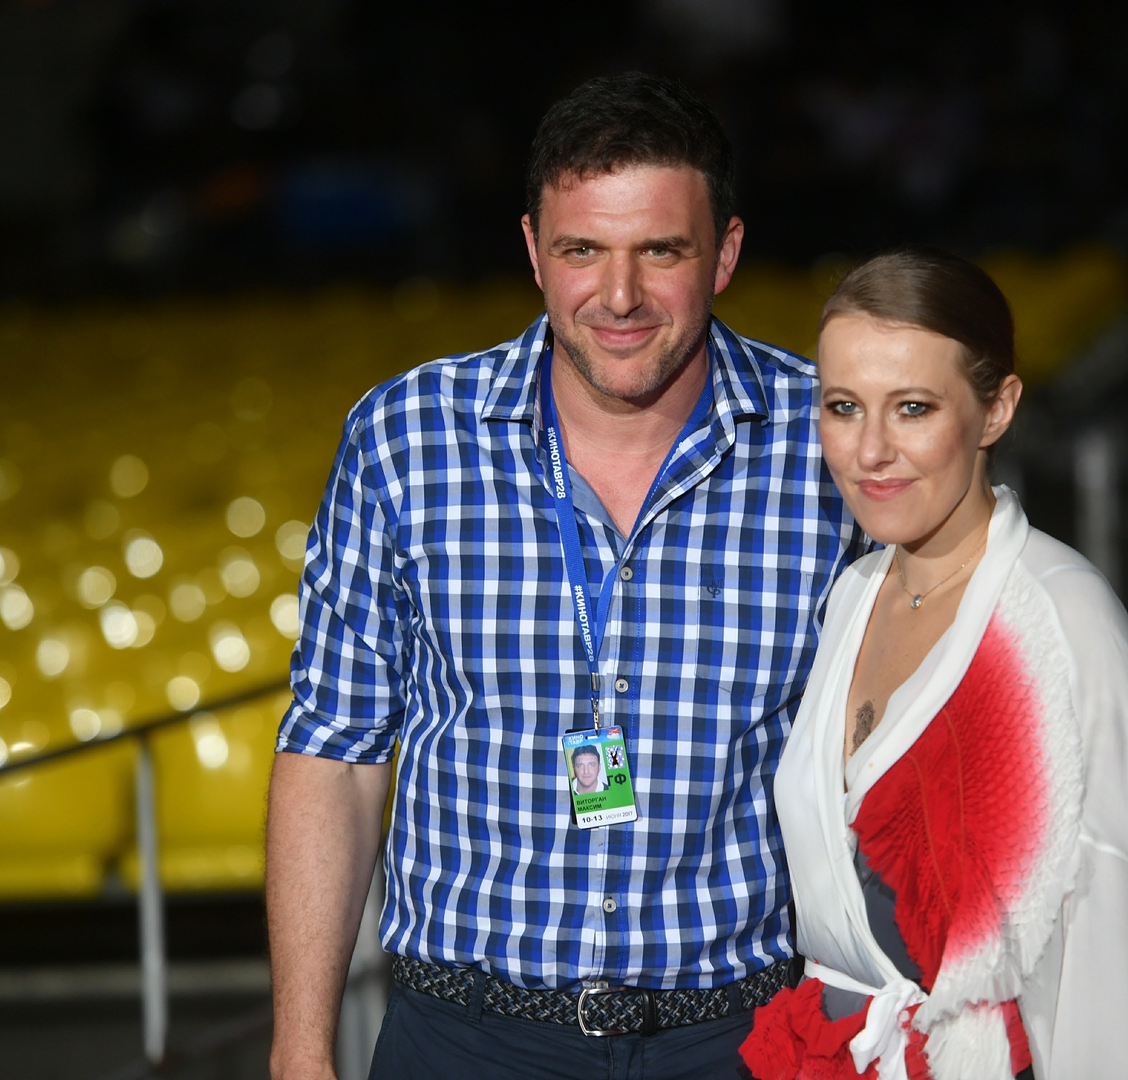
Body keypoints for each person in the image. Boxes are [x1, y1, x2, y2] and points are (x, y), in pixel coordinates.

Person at [265, 73, 864, 1080]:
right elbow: (336, 752)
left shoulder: (830, 448)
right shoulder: (407, 441)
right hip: (465, 1038)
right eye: (583, 250)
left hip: (743, 1040)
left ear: (724, 254)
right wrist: (298, 1050)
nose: (619, 297)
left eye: (660, 251)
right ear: (535, 251)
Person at [738, 250, 1128, 1080]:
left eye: (913, 408)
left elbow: (1115, 944)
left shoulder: (1065, 620)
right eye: (842, 407)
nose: (870, 450)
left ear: (997, 409)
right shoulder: (853, 594)